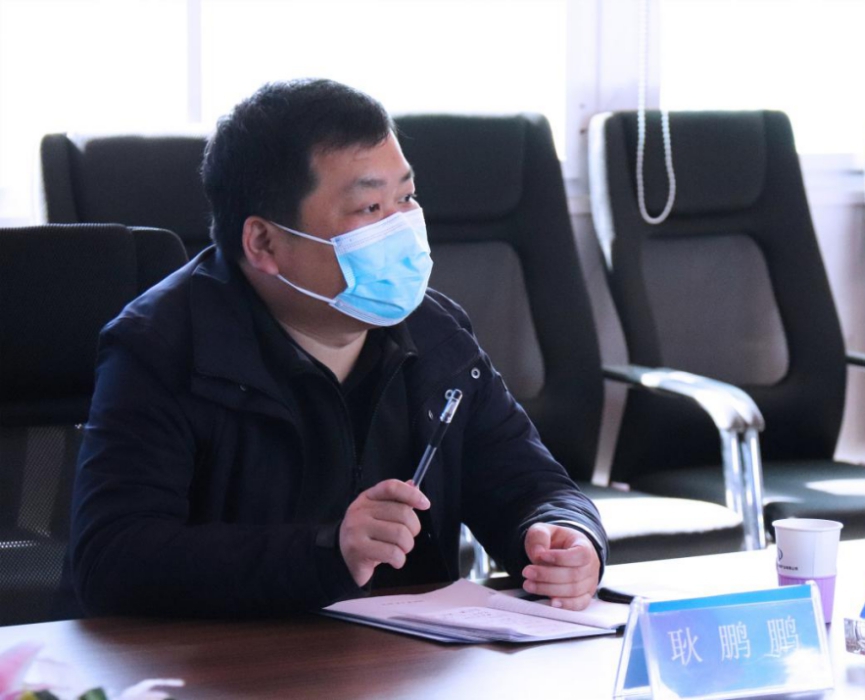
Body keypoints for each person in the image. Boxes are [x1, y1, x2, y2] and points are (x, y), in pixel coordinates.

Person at [68, 78, 608, 618]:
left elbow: (528, 482)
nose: (401, 227)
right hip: (230, 655)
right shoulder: (160, 348)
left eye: (406, 197)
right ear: (264, 242)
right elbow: (112, 560)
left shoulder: (435, 332)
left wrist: (566, 535)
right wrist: (328, 551)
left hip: (411, 654)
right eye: (369, 207)